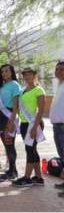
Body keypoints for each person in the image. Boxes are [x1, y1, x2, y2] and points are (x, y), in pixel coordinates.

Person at [11, 67, 45, 187]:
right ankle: (38, 178)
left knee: (30, 150)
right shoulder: (23, 90)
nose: (27, 76)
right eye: (25, 75)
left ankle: (27, 178)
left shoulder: (39, 90)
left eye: (30, 74)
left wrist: (35, 127)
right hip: (24, 123)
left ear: (35, 76)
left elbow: (41, 111)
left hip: (34, 123)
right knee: (32, 149)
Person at [0, 64, 21, 182]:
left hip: (8, 116)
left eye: (6, 71)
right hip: (1, 117)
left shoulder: (15, 85)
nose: (4, 73)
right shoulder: (2, 85)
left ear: (12, 72)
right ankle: (13, 170)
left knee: (10, 144)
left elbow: (16, 104)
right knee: (6, 145)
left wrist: (12, 122)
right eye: (2, 72)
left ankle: (12, 173)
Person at [51, 62, 64, 196]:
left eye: (62, 70)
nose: (59, 72)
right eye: (57, 69)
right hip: (57, 127)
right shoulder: (61, 85)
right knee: (62, 156)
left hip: (63, 126)